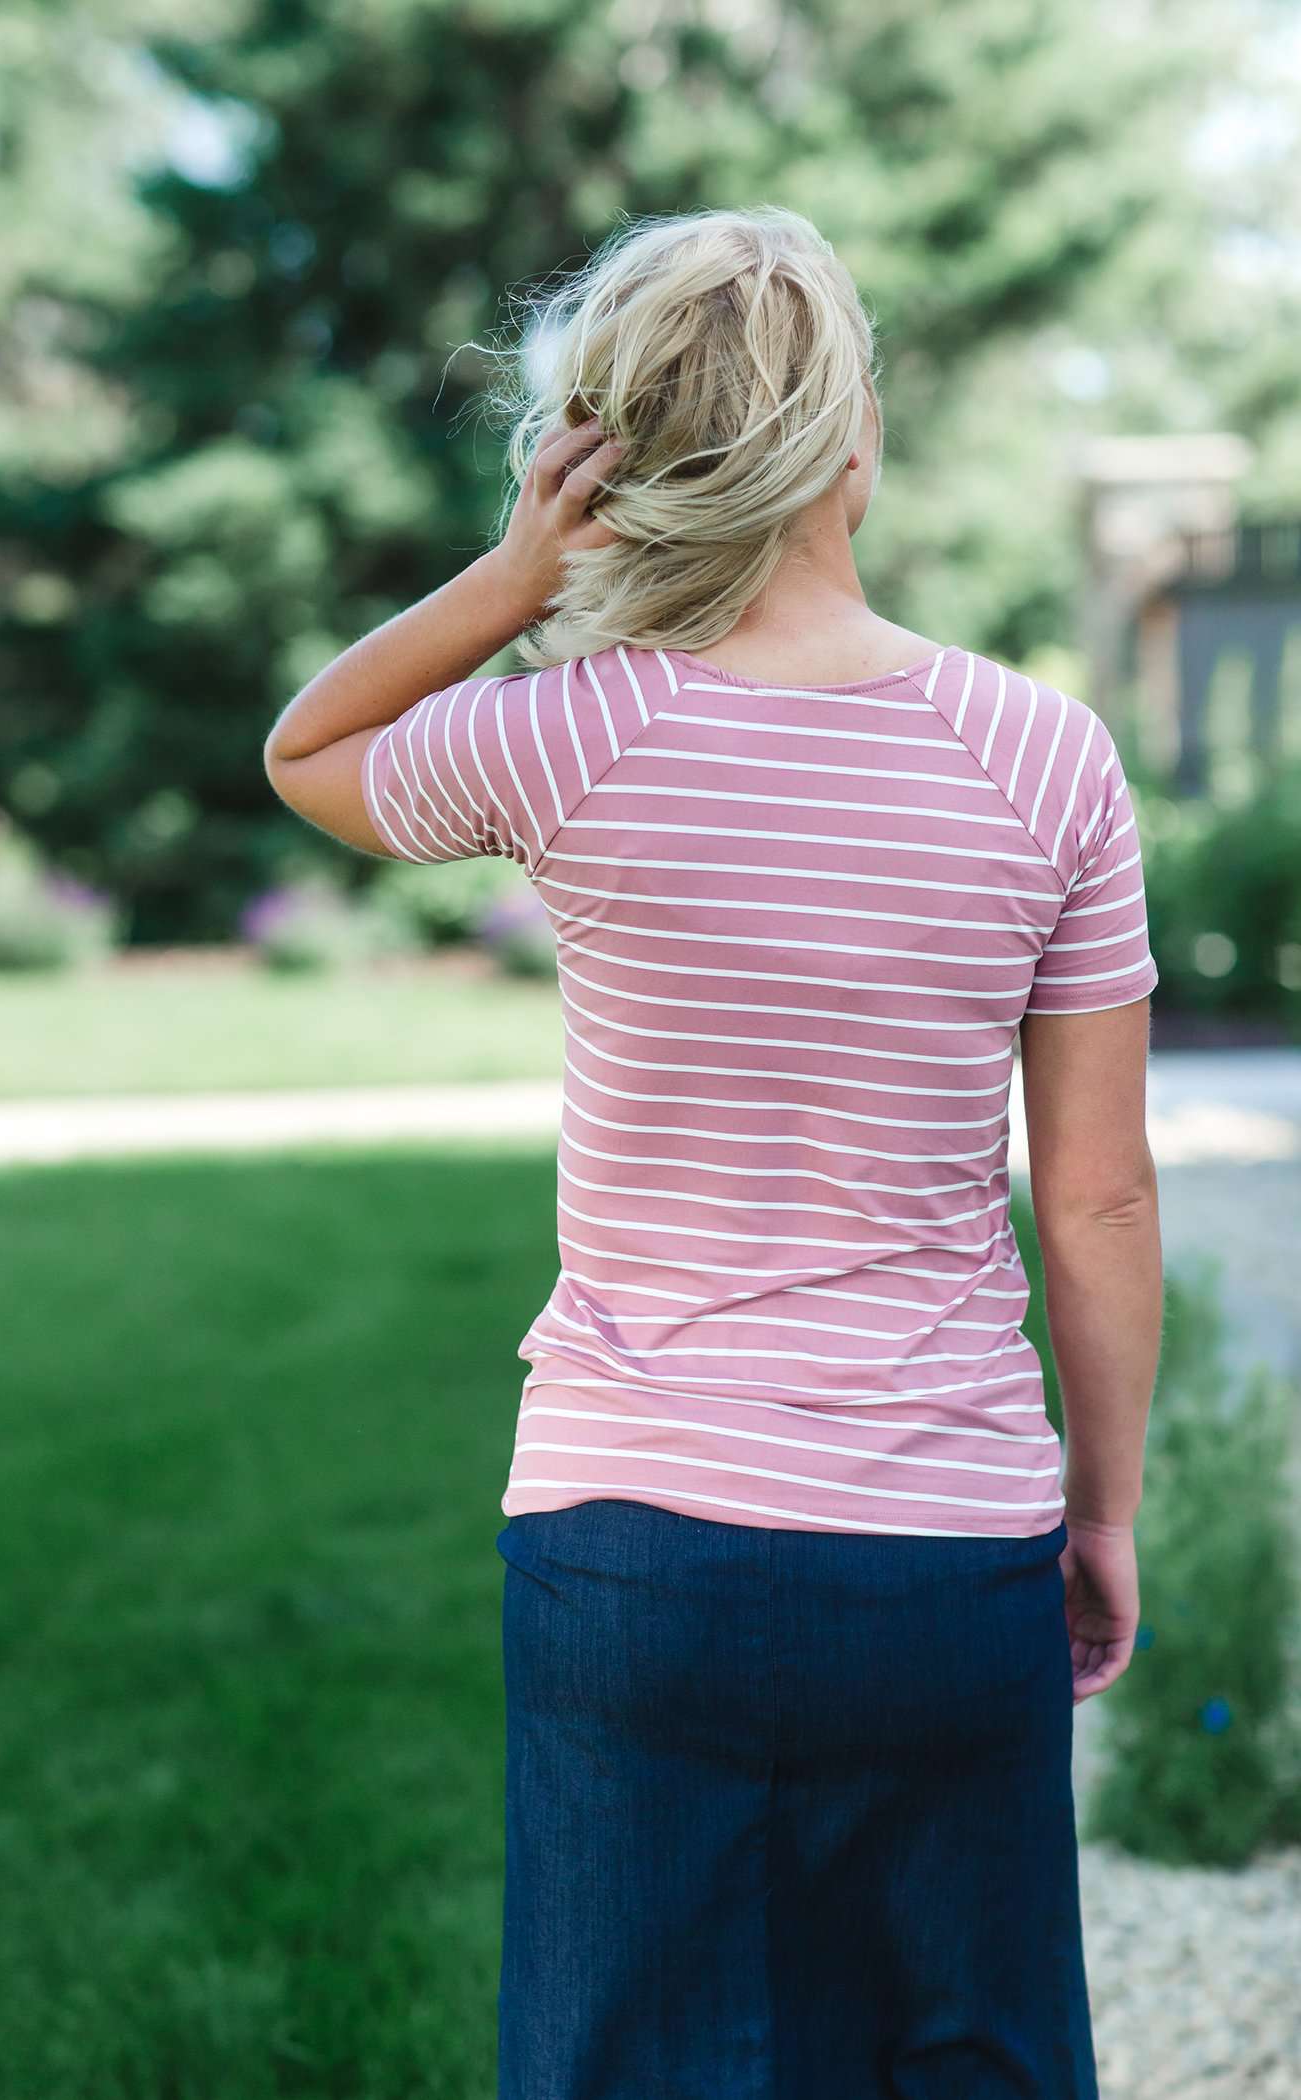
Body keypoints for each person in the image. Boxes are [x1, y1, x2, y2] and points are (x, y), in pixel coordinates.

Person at [262, 204, 1162, 2100]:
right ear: (853, 442)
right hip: (945, 1551)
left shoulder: (573, 737)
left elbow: (310, 751)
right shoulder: (1044, 759)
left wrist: (514, 581)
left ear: (629, 464)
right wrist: (1102, 1512)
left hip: (633, 1559)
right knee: (964, 2058)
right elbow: (1093, 1196)